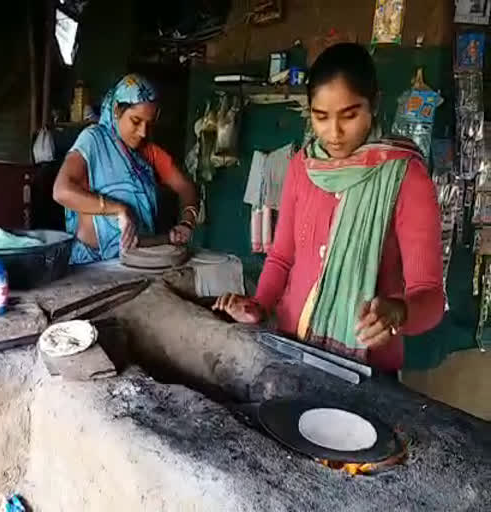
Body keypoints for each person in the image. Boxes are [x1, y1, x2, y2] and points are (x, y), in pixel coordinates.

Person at [213, 43, 444, 372]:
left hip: (365, 369)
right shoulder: (302, 167)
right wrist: (259, 306)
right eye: (321, 117)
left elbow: (431, 295)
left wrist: (399, 312)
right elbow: (281, 258)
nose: (333, 134)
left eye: (349, 115)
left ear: (374, 104)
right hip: (292, 348)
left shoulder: (405, 176)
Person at [53, 74, 198, 264]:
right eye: (136, 121)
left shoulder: (148, 152)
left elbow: (186, 187)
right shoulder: (93, 139)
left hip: (138, 259)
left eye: (149, 123)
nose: (143, 132)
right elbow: (61, 191)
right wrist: (119, 209)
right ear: (116, 110)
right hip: (91, 264)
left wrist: (187, 222)